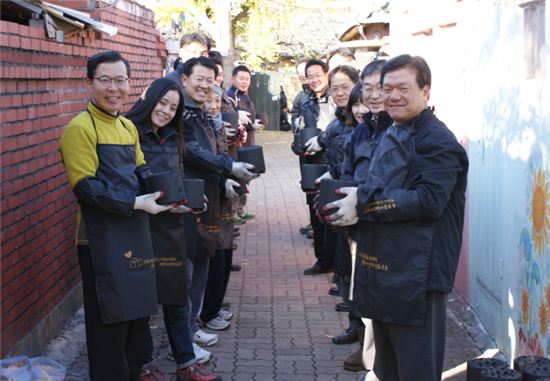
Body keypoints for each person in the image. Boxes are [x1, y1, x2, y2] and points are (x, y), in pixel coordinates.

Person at [327, 54, 469, 381]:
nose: (392, 96)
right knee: (387, 367)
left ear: (426, 91)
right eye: (386, 88)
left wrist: (363, 203)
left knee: (416, 368)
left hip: (418, 273)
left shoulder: (437, 140)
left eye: (403, 88)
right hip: (389, 264)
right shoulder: (394, 127)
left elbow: (429, 200)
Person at [59, 50, 172, 380]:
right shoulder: (80, 128)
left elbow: (141, 170)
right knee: (108, 327)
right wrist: (137, 204)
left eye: (120, 80)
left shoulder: (126, 127)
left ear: (129, 84)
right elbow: (86, 188)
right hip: (99, 240)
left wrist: (172, 195)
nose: (113, 88)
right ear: (90, 83)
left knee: (136, 328)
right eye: (104, 80)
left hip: (134, 233)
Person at [126, 78, 221, 381]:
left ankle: (185, 362)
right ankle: (145, 363)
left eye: (173, 107)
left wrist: (190, 197)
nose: (166, 111)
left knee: (177, 296)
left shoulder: (173, 136)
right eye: (162, 102)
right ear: (149, 99)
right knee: (141, 298)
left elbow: (176, 175)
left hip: (171, 226)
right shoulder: (129, 132)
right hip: (139, 226)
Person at [177, 57, 257, 345]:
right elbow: (192, 152)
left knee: (201, 265)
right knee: (187, 274)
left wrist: (224, 178)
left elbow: (208, 153)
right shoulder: (180, 113)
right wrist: (228, 168)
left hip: (208, 199)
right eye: (199, 79)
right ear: (184, 79)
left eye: (210, 80)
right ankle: (182, 340)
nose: (204, 85)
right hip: (186, 201)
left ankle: (191, 327)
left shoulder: (199, 113)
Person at [299, 58, 336, 275]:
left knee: (332, 213)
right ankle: (322, 259)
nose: (313, 80)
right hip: (311, 163)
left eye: (317, 75)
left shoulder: (337, 100)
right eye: (309, 76)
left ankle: (334, 264)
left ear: (326, 74)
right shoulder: (306, 101)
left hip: (332, 162)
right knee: (315, 213)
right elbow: (302, 131)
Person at [227, 65, 263, 223]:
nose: (244, 82)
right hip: (236, 145)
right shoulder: (230, 96)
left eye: (247, 79)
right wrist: (236, 114)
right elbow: (229, 118)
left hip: (248, 142)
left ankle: (240, 209)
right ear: (232, 79)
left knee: (247, 176)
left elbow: (247, 120)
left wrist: (254, 124)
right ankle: (232, 212)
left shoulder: (246, 96)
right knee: (237, 176)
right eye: (241, 78)